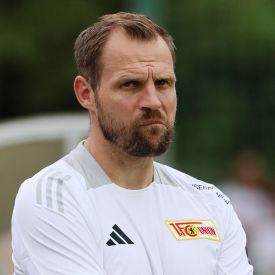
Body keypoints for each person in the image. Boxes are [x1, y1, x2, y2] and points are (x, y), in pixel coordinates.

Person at [11, 12, 253, 275]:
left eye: (163, 83)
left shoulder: (210, 202)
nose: (153, 101)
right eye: (130, 84)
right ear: (86, 93)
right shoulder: (53, 197)